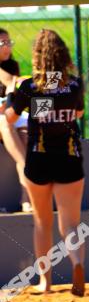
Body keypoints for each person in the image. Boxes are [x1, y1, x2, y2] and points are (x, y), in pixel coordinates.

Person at [4, 29, 85, 296]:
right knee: (71, 223)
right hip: (69, 158)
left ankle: (45, 282)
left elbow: (11, 119)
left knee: (42, 222)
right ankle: (77, 263)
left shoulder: (30, 87)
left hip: (39, 159)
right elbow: (78, 112)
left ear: (38, 57)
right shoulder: (74, 84)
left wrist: (14, 99)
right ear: (63, 55)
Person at [0, 26, 32, 212]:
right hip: (3, 119)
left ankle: (26, 198)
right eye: (3, 43)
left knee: (28, 136)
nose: (7, 47)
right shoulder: (8, 72)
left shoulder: (13, 65)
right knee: (5, 121)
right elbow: (11, 82)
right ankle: (29, 167)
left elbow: (14, 88)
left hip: (9, 114)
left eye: (9, 42)